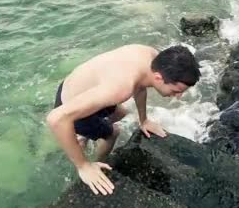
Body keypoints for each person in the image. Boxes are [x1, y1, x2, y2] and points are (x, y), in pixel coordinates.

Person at [46, 44, 201, 196]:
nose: (178, 96)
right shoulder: (121, 89)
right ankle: (97, 165)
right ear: (158, 78)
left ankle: (85, 136)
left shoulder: (151, 56)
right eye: (176, 91)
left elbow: (140, 86)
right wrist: (83, 166)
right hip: (69, 105)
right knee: (113, 133)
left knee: (121, 113)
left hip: (81, 86)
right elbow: (56, 118)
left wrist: (144, 121)